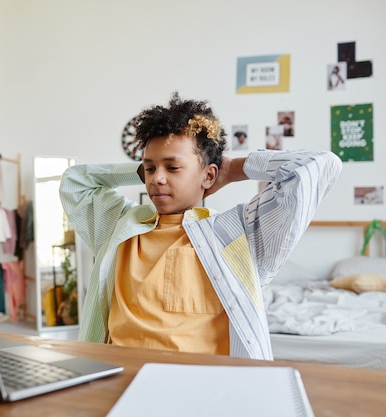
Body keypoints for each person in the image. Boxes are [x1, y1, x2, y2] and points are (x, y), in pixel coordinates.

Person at [59, 93, 342, 360]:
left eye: (172, 167)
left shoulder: (238, 233)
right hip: (116, 378)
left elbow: (319, 165)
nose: (156, 179)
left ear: (209, 175)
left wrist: (232, 169)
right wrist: (146, 167)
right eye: (148, 168)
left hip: (197, 386)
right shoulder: (120, 225)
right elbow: (76, 181)